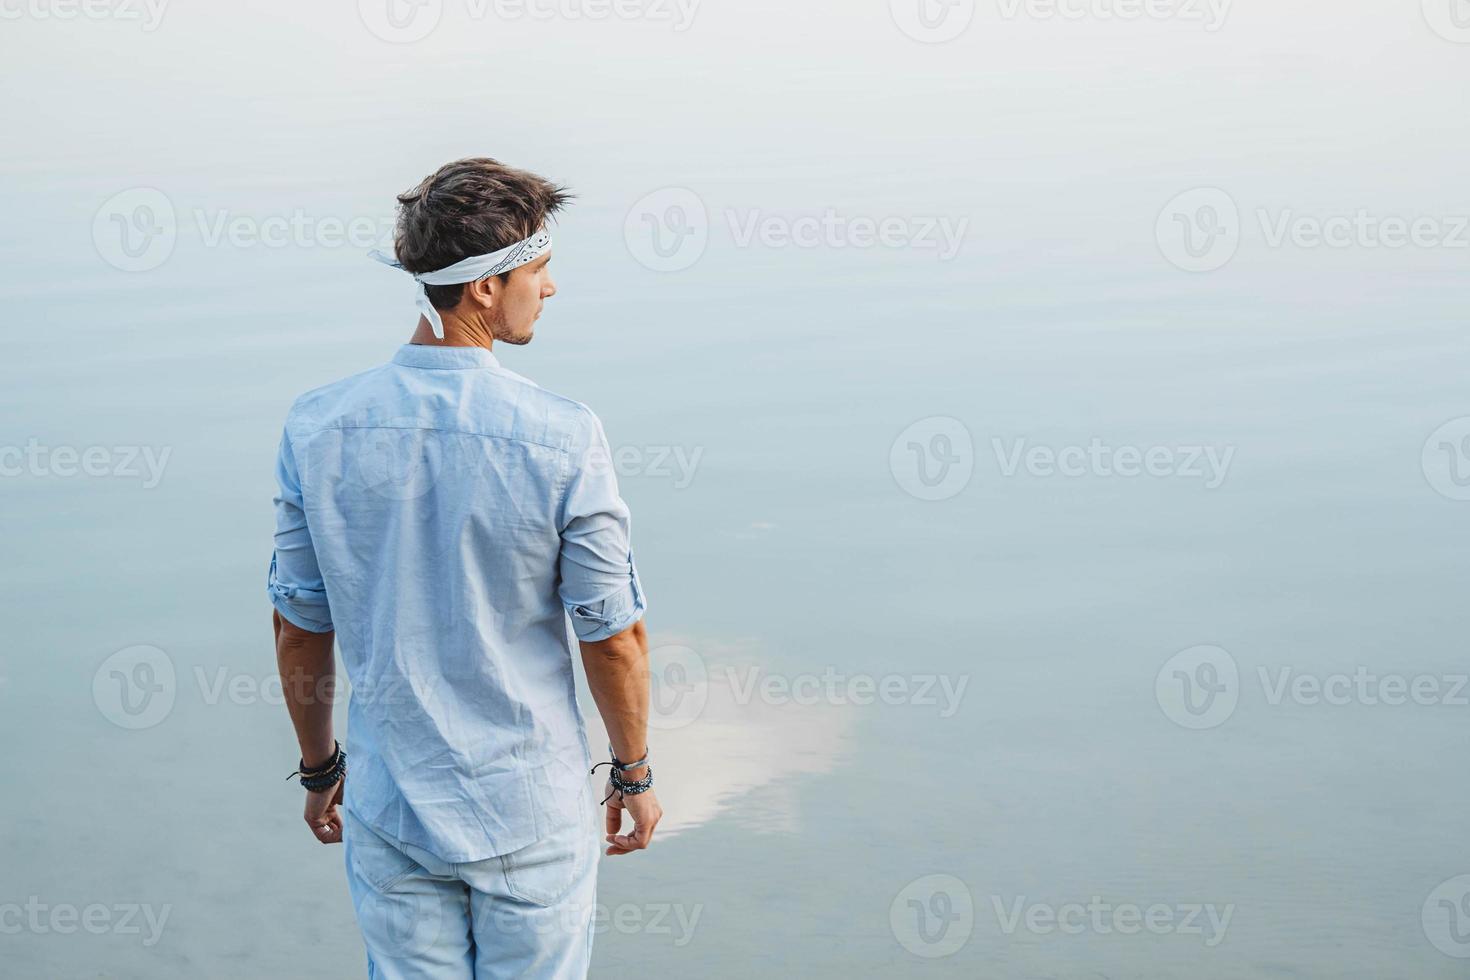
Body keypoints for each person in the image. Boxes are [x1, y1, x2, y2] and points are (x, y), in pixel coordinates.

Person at [267, 157, 661, 979]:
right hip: (528, 815)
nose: (548, 289)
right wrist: (632, 771)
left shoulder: (317, 427)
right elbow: (613, 637)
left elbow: (300, 629)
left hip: (393, 809)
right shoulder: (564, 436)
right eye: (539, 269)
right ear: (485, 288)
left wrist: (320, 768)